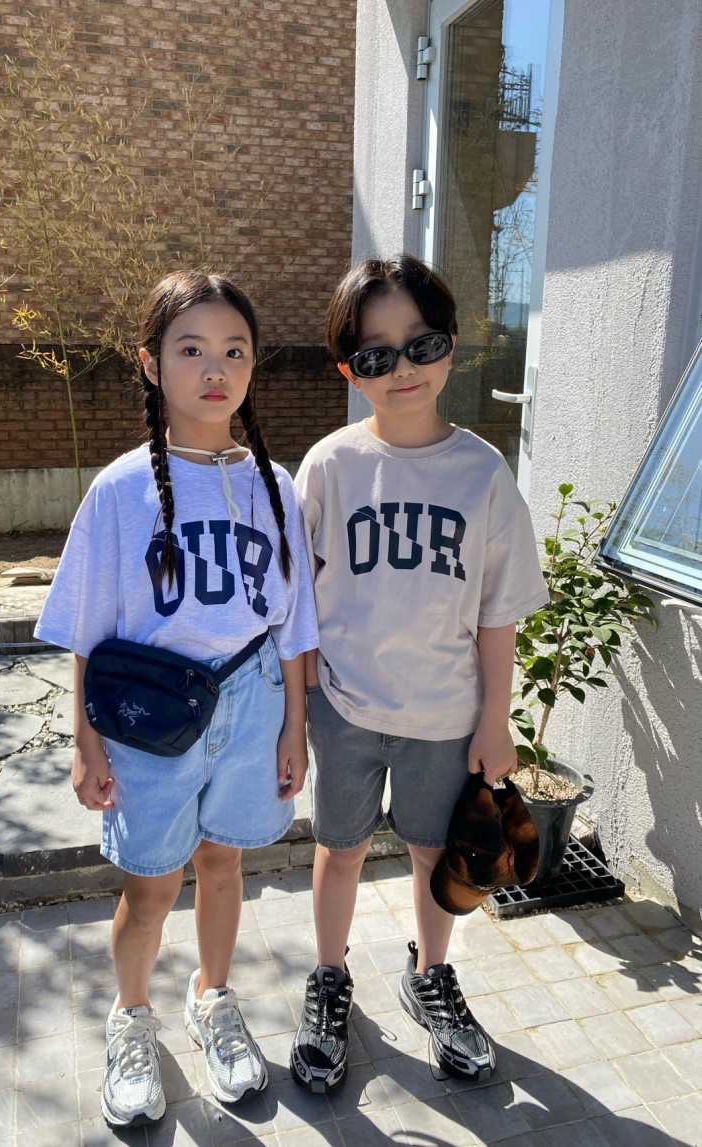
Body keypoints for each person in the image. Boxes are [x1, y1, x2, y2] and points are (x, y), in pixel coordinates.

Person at [34, 270, 318, 1128]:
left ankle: (213, 997)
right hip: (150, 720)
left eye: (235, 350)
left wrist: (295, 727)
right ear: (151, 363)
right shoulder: (120, 490)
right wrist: (86, 741)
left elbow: (293, 623)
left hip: (253, 704)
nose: (215, 368)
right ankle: (130, 1019)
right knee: (151, 886)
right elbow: (89, 627)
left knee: (225, 863)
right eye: (191, 349)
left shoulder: (277, 485)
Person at [289, 254, 547, 1092]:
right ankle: (330, 977)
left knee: (437, 850)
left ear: (452, 345)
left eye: (420, 344)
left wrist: (495, 719)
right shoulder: (329, 466)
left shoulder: (483, 473)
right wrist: (301, 705)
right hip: (345, 707)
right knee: (340, 848)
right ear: (348, 369)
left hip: (446, 712)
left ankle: (430, 975)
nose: (401, 368)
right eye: (375, 354)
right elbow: (297, 600)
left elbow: (499, 611)